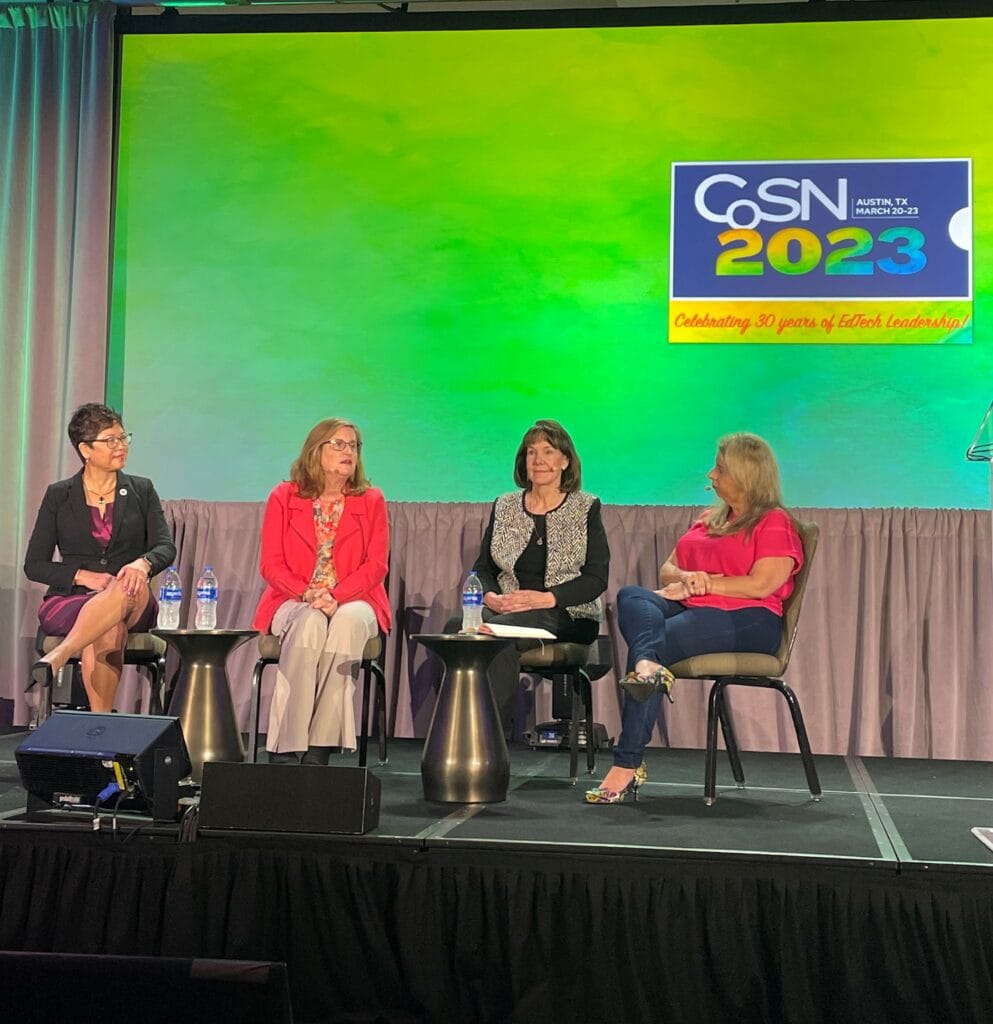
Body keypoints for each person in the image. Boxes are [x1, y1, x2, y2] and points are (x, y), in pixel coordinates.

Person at [586, 432, 803, 804]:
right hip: (694, 605)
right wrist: (688, 579)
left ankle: (626, 763)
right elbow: (667, 570)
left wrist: (708, 584)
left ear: (746, 475)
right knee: (631, 596)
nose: (711, 474)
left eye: (720, 469)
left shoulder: (774, 522)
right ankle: (647, 666)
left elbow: (762, 584)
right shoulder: (709, 519)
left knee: (654, 643)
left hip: (750, 619)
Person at [252, 418, 390, 765]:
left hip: (356, 599)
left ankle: (319, 750)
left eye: (353, 445)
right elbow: (271, 564)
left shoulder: (371, 500)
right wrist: (307, 594)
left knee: (346, 623)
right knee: (309, 623)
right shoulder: (284, 496)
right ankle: (285, 748)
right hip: (294, 598)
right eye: (339, 444)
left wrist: (337, 596)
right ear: (316, 450)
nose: (348, 452)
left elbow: (376, 566)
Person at [24, 403, 176, 713]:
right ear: (85, 450)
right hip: (72, 599)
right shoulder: (59, 495)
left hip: (132, 596)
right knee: (109, 628)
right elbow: (34, 564)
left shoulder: (142, 490)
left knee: (124, 585)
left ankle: (60, 654)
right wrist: (82, 576)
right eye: (110, 440)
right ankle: (101, 724)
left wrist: (142, 564)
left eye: (123, 437)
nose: (121, 446)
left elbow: (165, 546)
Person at [464, 419, 609, 732]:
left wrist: (545, 599)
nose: (538, 459)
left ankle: (488, 739)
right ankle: (460, 732)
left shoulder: (586, 507)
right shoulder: (505, 506)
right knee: (458, 629)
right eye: (531, 452)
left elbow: (596, 578)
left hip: (567, 614)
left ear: (565, 461)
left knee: (496, 634)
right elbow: (484, 568)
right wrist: (491, 597)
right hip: (507, 609)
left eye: (548, 451)